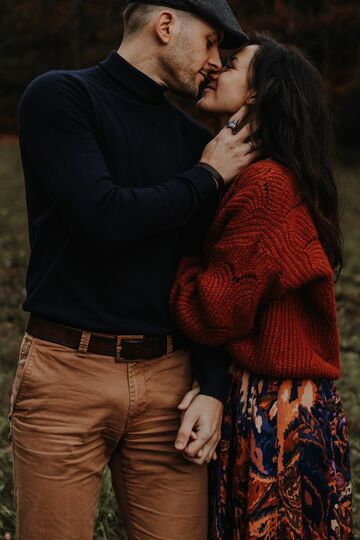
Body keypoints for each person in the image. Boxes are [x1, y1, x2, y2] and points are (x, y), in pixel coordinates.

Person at [10, 2, 260, 539]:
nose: (216, 61)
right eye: (212, 42)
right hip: (66, 375)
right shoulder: (61, 97)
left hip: (170, 386)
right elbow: (102, 218)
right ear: (166, 26)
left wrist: (212, 387)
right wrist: (207, 176)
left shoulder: (195, 140)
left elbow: (203, 275)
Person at [170, 34, 353, 539]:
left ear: (258, 93)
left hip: (276, 414)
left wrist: (180, 260)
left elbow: (213, 312)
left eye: (230, 65)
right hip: (289, 404)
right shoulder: (270, 177)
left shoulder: (265, 186)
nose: (213, 70)